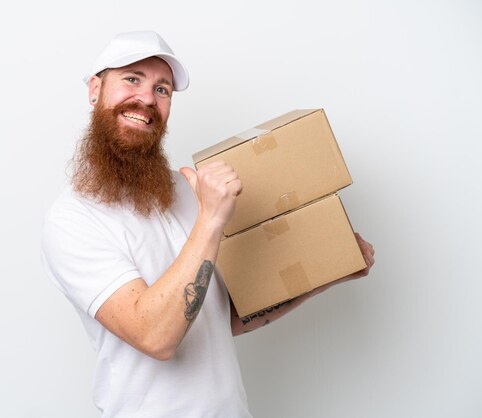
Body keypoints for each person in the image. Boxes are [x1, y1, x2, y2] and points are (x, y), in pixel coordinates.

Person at [41, 30, 375, 418]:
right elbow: (156, 336)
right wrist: (212, 218)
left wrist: (329, 270)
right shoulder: (72, 220)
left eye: (162, 89)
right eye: (132, 79)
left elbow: (221, 316)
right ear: (95, 89)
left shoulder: (187, 191)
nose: (147, 98)